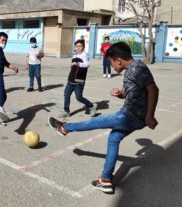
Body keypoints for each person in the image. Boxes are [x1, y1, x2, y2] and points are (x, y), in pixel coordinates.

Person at [49, 42, 159, 194]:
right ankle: (105, 180)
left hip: (129, 116)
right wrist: (121, 93)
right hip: (136, 118)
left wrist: (150, 115)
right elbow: (136, 91)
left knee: (96, 121)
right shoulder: (133, 69)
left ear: (118, 61)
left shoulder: (136, 69)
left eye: (111, 63)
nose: (112, 67)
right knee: (113, 139)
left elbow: (153, 89)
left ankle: (64, 127)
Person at [58, 39, 97, 118]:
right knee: (66, 94)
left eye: (80, 46)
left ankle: (91, 106)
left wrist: (78, 64)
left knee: (79, 97)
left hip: (79, 80)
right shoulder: (74, 55)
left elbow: (87, 64)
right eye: (76, 46)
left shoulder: (84, 55)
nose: (78, 48)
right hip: (71, 79)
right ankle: (66, 111)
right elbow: (73, 66)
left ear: (83, 47)